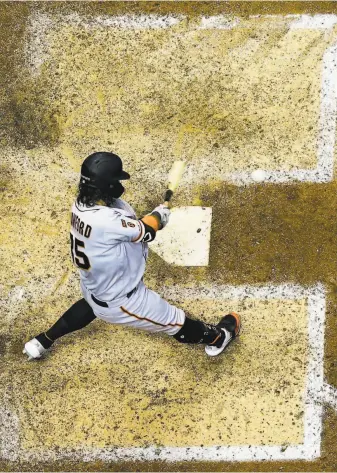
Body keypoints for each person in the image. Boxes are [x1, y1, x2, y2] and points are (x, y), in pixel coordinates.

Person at [23, 152, 241, 360]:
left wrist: (153, 217)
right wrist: (159, 215)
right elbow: (146, 231)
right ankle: (218, 337)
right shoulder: (106, 221)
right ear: (107, 185)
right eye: (116, 180)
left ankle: (43, 340)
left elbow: (127, 226)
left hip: (94, 285)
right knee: (176, 322)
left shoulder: (81, 204)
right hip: (124, 300)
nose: (120, 184)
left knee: (90, 304)